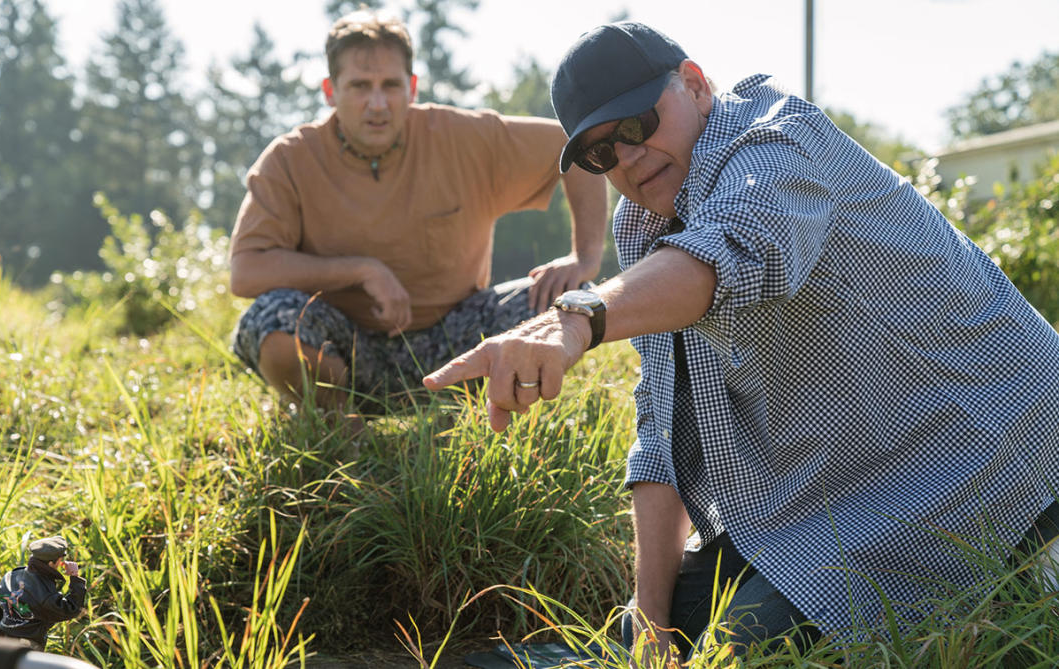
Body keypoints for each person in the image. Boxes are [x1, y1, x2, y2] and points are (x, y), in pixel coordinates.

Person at [424, 21, 1059, 661]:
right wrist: (650, 619)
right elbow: (662, 426)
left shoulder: (780, 138)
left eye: (638, 125)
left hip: (989, 448)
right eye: (600, 153)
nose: (627, 157)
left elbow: (731, 248)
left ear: (696, 86)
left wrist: (578, 319)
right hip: (845, 489)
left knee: (741, 648)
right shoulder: (643, 222)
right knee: (646, 629)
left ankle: (1017, 589)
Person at [229, 9, 607, 414]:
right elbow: (247, 272)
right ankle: (343, 429)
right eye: (359, 85)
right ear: (329, 90)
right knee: (269, 318)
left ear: (411, 87)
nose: (377, 103)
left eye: (390, 85)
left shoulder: (462, 138)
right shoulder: (290, 160)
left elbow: (572, 147)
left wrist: (583, 258)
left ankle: (490, 420)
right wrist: (361, 270)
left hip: (459, 340)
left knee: (569, 304)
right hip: (341, 347)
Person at [0, 536, 87, 650]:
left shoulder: (11, 575)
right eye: (59, 560)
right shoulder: (45, 593)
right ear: (50, 563)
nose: (61, 564)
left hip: (2, 640)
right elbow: (70, 609)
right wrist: (75, 578)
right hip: (27, 646)